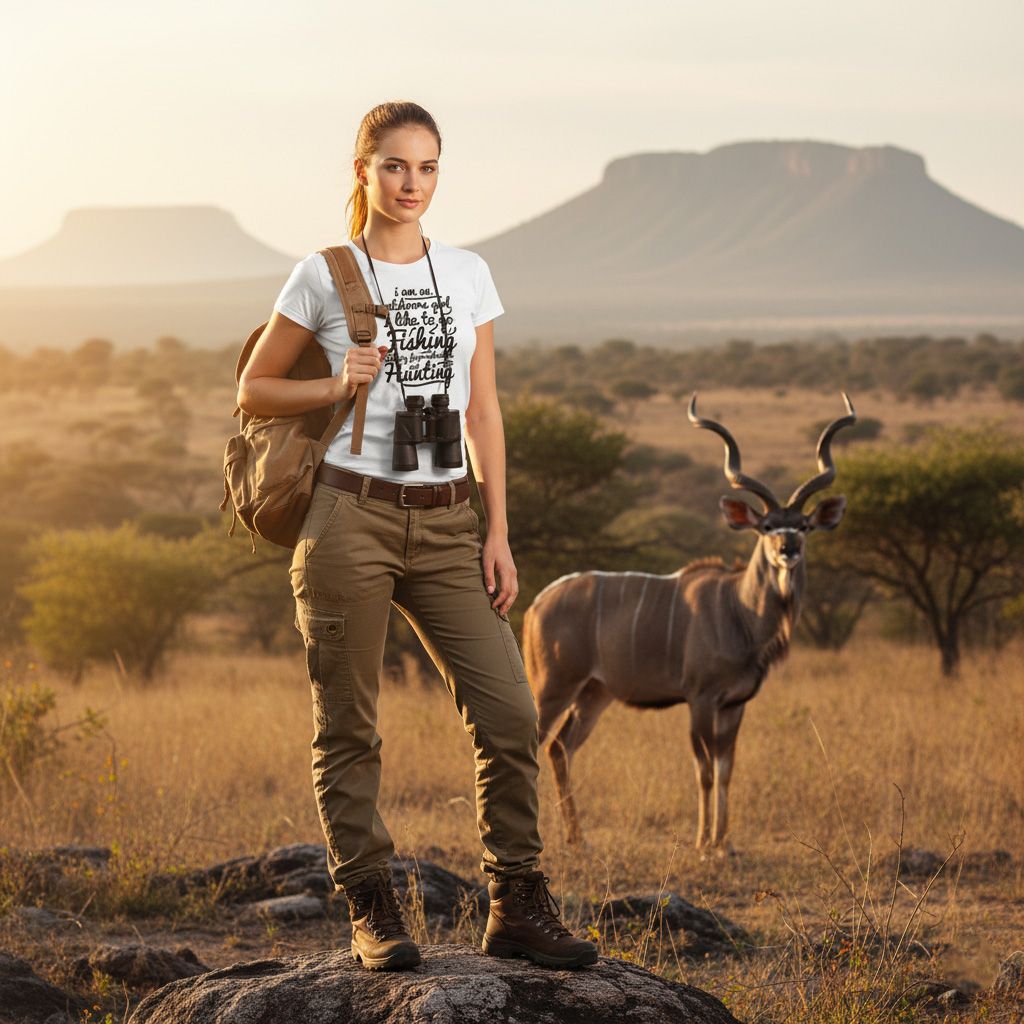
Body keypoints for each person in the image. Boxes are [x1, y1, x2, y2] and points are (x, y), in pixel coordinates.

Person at [236, 101, 598, 972]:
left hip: (447, 522)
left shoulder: (468, 273)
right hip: (347, 517)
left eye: (428, 168)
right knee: (349, 727)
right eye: (396, 166)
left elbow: (483, 409)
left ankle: (515, 902)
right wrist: (332, 388)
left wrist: (498, 530)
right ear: (364, 170)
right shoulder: (323, 276)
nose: (413, 184)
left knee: (511, 714)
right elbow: (254, 390)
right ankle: (372, 908)